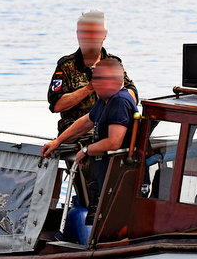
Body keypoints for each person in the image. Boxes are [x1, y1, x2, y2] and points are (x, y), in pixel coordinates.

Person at [42, 57, 137, 211]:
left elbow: (114, 142)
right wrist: (58, 141)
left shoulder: (120, 102)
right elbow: (86, 121)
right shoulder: (106, 99)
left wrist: (86, 150)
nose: (94, 86)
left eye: (97, 80)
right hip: (103, 174)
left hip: (116, 177)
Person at [47, 9, 137, 136]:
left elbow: (133, 95)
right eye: (82, 32)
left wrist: (116, 90)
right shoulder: (66, 65)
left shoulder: (113, 63)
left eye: (92, 33)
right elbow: (57, 105)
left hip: (110, 127)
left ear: (104, 35)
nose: (86, 37)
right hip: (77, 133)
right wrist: (89, 88)